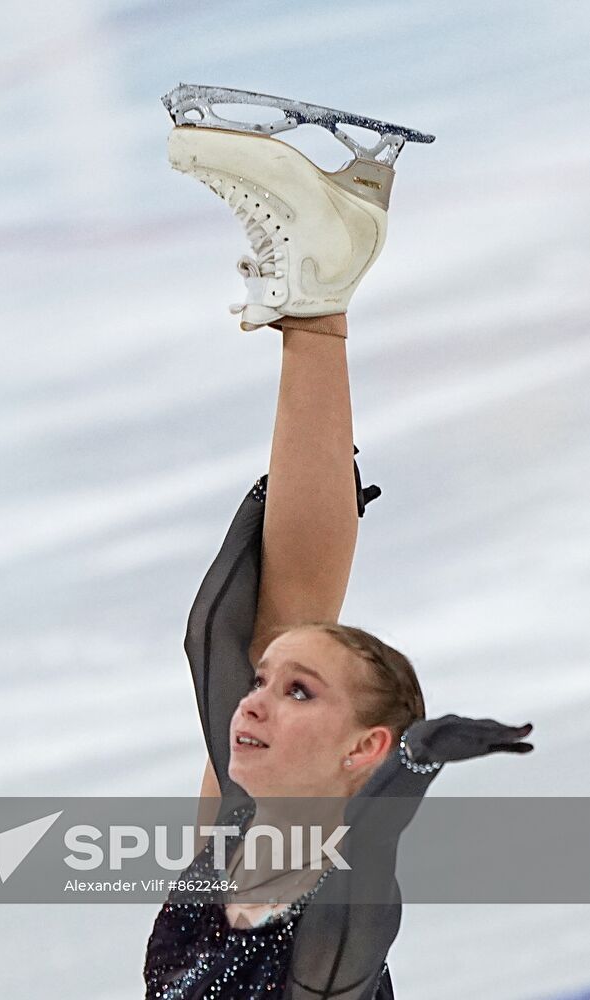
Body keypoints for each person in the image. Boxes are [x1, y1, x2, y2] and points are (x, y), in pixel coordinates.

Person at [143, 111, 534, 999]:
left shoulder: (248, 873)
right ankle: (319, 300)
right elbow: (362, 889)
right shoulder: (320, 950)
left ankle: (319, 299)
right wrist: (412, 770)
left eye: (287, 692)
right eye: (283, 690)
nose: (255, 701)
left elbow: (215, 640)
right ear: (364, 748)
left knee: (273, 626)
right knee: (282, 623)